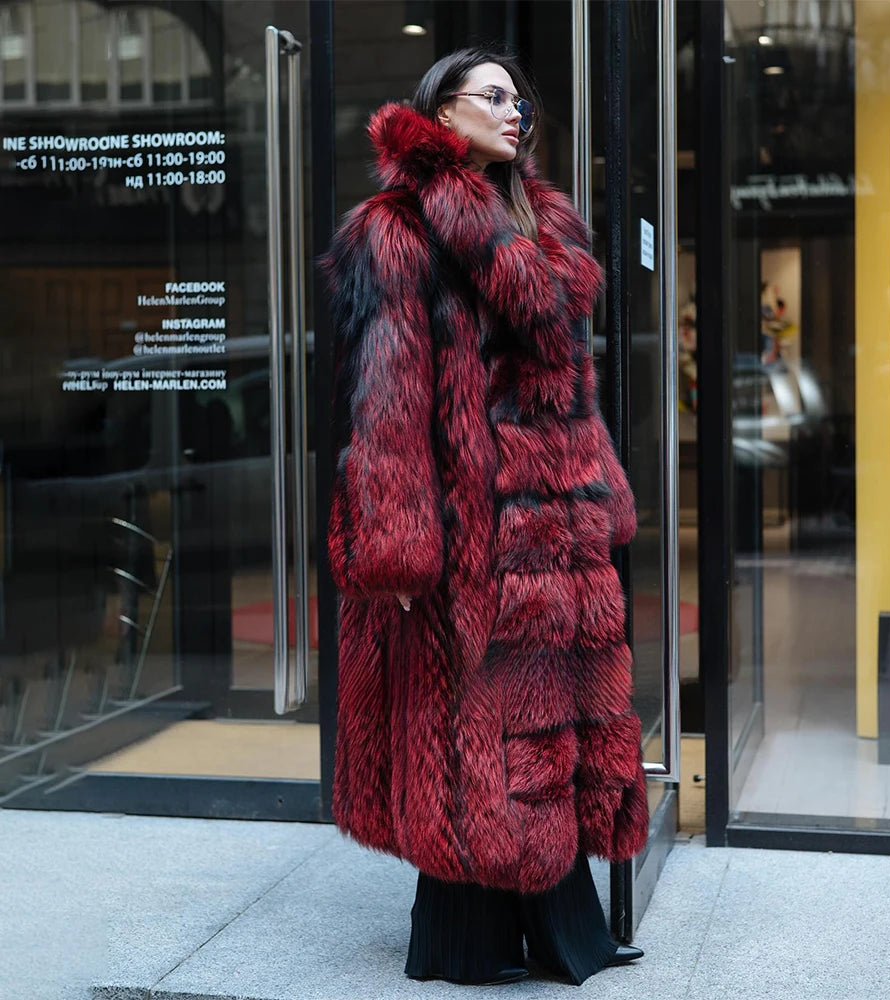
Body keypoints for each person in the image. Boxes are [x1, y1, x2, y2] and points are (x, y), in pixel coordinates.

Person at [321, 46, 648, 987]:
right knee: (471, 728)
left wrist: (601, 493)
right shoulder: (399, 230)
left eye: (522, 100)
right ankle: (465, 941)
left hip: (559, 525)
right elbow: (384, 407)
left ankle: (556, 928)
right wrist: (397, 550)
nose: (517, 113)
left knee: (549, 730)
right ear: (444, 110)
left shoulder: (538, 223)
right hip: (473, 528)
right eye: (495, 97)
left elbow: (570, 393)